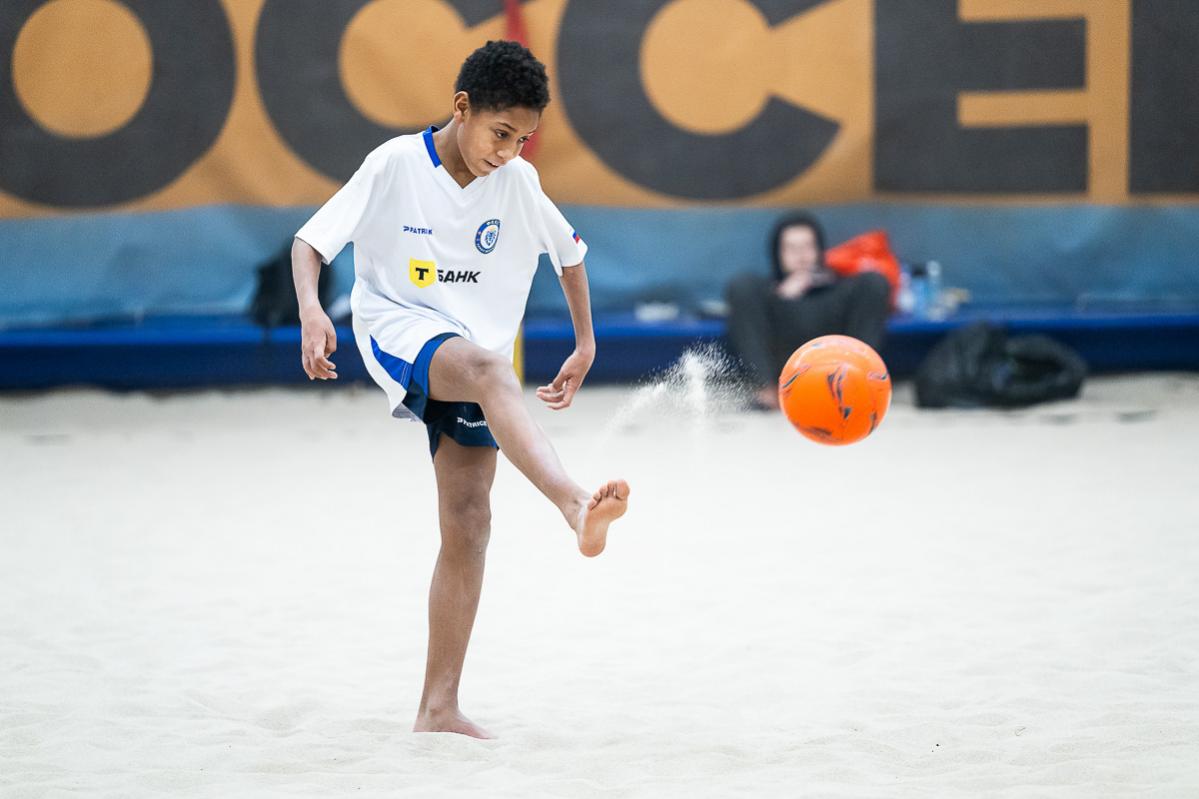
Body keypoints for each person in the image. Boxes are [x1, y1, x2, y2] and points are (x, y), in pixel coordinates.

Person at [290, 41, 629, 739]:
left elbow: (569, 257)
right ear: (462, 107)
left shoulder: (518, 181)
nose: (508, 152)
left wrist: (586, 342)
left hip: (476, 351)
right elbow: (310, 244)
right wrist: (312, 311)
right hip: (398, 326)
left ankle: (437, 708)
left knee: (470, 519)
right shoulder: (394, 164)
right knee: (491, 371)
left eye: (523, 139)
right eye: (500, 134)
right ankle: (572, 504)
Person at [725, 213, 892, 409]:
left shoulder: (840, 290)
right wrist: (782, 296)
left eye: (807, 247)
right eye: (791, 248)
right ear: (777, 253)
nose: (801, 256)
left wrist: (819, 282)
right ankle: (766, 391)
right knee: (742, 286)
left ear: (819, 249)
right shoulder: (763, 293)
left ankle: (856, 383)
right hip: (779, 367)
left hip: (835, 367)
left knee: (874, 282)